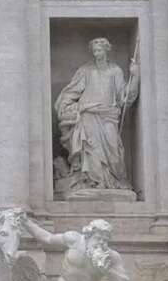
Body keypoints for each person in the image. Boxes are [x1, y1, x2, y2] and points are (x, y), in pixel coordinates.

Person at [54, 37, 139, 192]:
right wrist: (72, 106)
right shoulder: (85, 71)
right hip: (89, 115)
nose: (96, 53)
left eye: (99, 50)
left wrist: (135, 77)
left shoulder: (115, 71)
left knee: (113, 150)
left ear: (106, 51)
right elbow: (70, 94)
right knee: (91, 149)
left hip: (109, 115)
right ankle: (93, 182)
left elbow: (125, 98)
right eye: (94, 51)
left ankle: (113, 181)